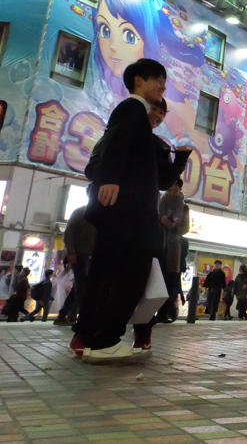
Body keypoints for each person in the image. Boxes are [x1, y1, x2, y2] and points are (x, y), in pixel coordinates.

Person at [73, 58, 167, 363]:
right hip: (131, 211)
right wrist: (110, 179)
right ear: (138, 80)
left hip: (124, 210)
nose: (162, 86)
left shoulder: (135, 113)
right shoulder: (132, 109)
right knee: (128, 274)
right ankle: (104, 341)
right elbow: (115, 143)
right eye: (157, 80)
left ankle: (89, 337)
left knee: (106, 271)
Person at [154, 179, 189, 323]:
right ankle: (147, 313)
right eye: (169, 190)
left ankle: (162, 314)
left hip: (173, 250)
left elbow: (185, 228)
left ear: (180, 190)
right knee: (155, 280)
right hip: (157, 246)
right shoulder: (158, 203)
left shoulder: (184, 208)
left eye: (175, 190)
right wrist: (161, 219)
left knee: (168, 283)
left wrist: (174, 226)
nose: (172, 193)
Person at [54, 208, 94, 326]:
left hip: (90, 254)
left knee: (79, 285)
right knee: (82, 286)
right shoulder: (82, 211)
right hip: (80, 254)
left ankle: (63, 314)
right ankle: (84, 318)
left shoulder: (100, 213)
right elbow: (69, 232)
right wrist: (71, 252)